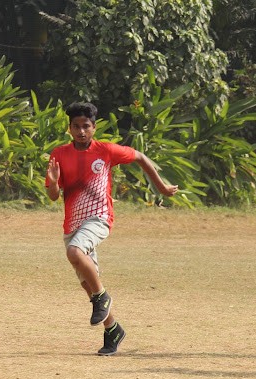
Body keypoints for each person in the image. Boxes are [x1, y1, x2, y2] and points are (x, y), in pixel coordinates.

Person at [46, 102, 178, 356]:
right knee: (88, 283)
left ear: (94, 128)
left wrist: (160, 187)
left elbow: (139, 156)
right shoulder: (59, 155)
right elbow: (53, 196)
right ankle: (113, 328)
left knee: (75, 253)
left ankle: (103, 298)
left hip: (98, 218)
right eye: (76, 127)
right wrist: (52, 183)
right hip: (72, 223)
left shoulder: (106, 151)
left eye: (86, 126)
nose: (81, 131)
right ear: (69, 129)